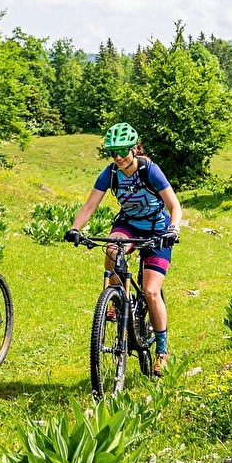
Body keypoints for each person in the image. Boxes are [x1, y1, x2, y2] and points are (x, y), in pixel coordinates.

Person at [64, 122, 182, 375]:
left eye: (122, 151)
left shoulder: (149, 170)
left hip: (157, 230)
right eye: (112, 152)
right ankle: (117, 299)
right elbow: (89, 206)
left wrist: (173, 230)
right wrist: (75, 228)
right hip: (128, 224)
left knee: (151, 291)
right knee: (112, 250)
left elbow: (174, 205)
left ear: (134, 148)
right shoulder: (111, 174)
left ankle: (162, 351)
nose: (117, 157)